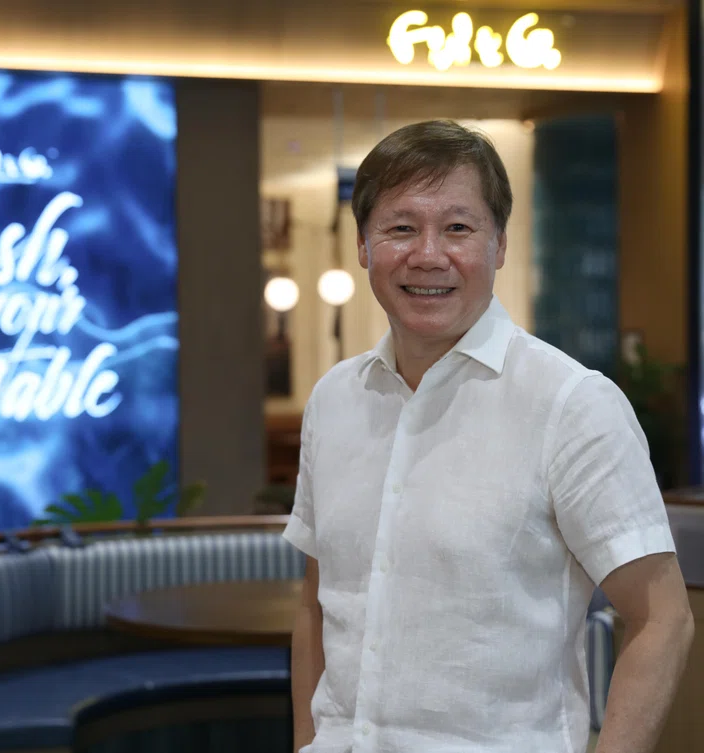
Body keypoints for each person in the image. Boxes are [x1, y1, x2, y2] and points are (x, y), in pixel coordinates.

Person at [283, 119, 694, 753]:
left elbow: (661, 619)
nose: (427, 254)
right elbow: (317, 604)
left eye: (457, 227)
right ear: (363, 246)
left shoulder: (571, 404)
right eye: (400, 227)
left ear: (499, 244)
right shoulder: (334, 400)